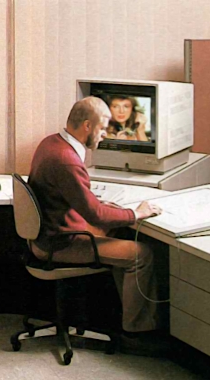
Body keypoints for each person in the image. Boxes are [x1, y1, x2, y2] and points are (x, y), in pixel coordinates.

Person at [26, 96, 164, 349]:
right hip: (60, 243)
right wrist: (136, 213)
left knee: (119, 229)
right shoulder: (67, 160)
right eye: (102, 128)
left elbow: (80, 201)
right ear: (87, 126)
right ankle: (136, 335)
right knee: (141, 254)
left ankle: (123, 319)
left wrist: (110, 209)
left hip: (49, 232)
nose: (104, 134)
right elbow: (96, 216)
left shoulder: (51, 143)